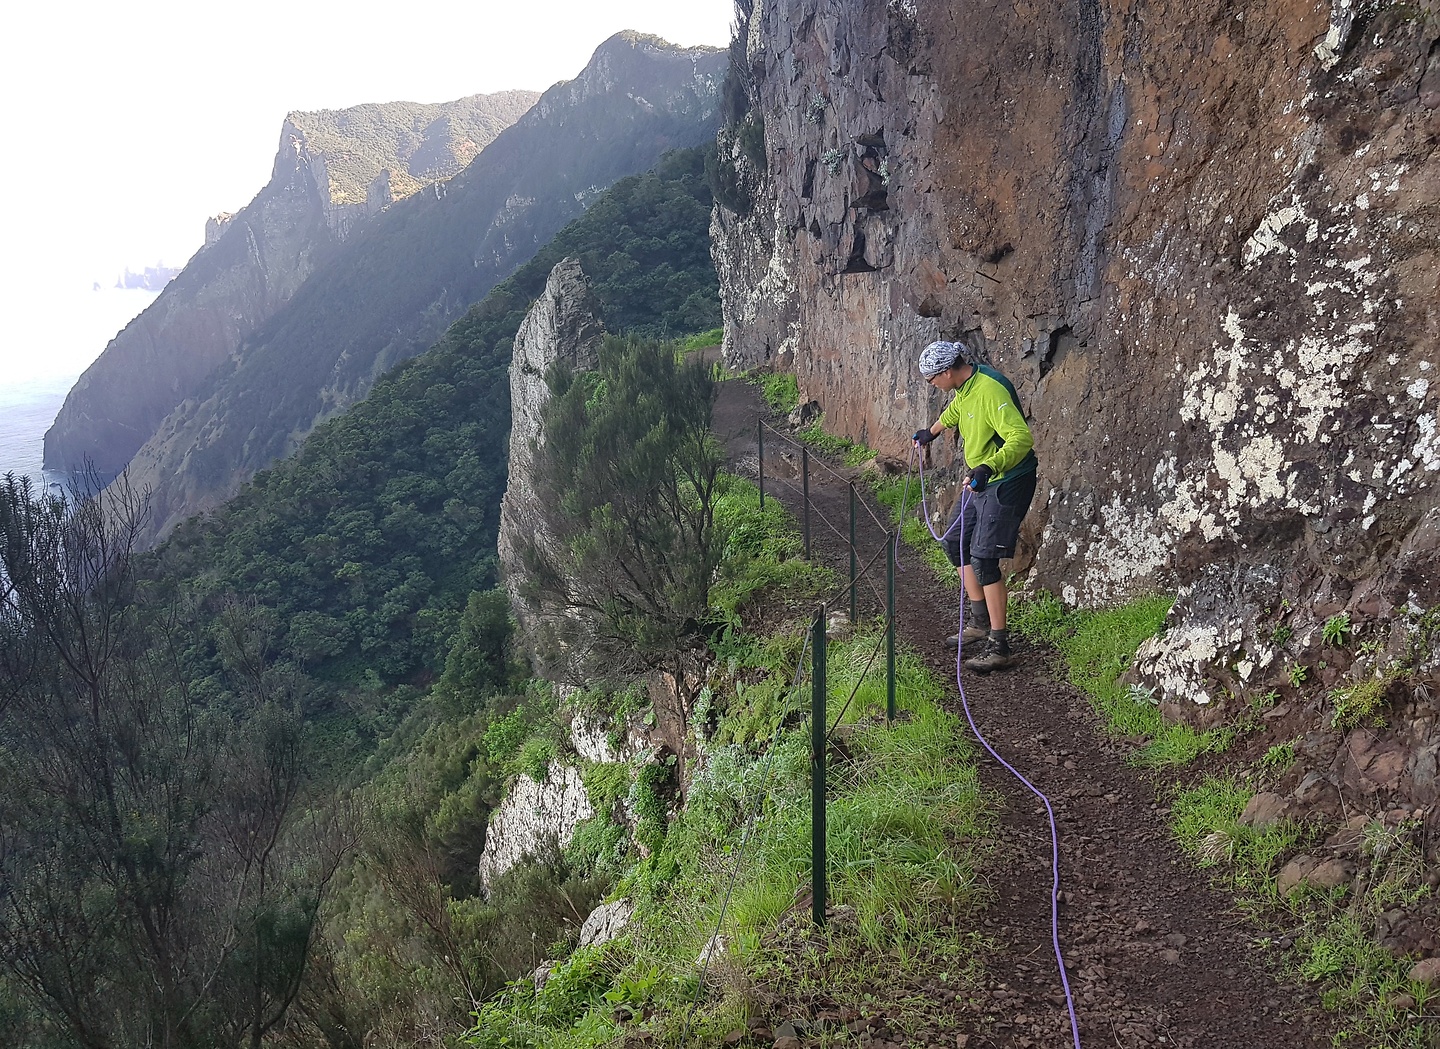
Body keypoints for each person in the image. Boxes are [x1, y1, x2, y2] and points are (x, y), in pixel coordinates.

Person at [912, 340, 1038, 672]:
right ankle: (980, 621)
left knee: (984, 559)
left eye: (931, 379)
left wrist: (987, 468)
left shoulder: (990, 389)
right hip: (980, 479)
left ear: (948, 371)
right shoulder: (965, 388)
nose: (932, 385)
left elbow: (1021, 439)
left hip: (1007, 480)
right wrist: (931, 432)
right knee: (955, 542)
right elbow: (955, 412)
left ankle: (1000, 646)